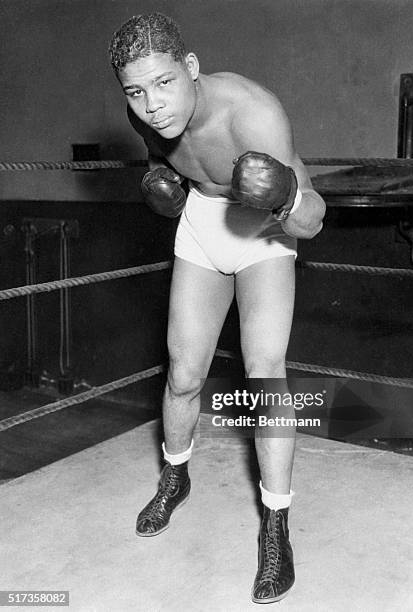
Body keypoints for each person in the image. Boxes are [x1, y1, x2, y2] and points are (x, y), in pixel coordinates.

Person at [109, 13, 325, 604]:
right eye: (136, 91)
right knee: (182, 371)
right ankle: (174, 476)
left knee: (264, 370)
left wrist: (282, 196)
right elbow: (168, 160)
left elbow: (314, 220)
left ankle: (276, 527)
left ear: (191, 68)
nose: (151, 105)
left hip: (265, 231)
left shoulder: (253, 110)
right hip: (202, 222)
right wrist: (162, 180)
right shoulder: (144, 115)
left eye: (163, 84)